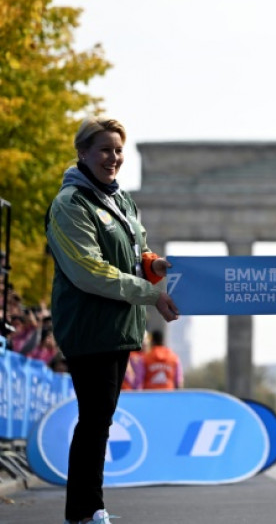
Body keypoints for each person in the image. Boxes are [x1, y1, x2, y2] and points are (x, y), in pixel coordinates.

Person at [46, 116, 179, 524]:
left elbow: (136, 250)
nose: (113, 158)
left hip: (119, 326)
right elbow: (89, 269)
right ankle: (85, 510)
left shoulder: (120, 200)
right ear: (83, 153)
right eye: (105, 150)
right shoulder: (72, 204)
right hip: (89, 326)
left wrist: (152, 262)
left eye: (118, 150)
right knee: (95, 420)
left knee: (100, 419)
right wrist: (152, 293)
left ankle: (88, 508)